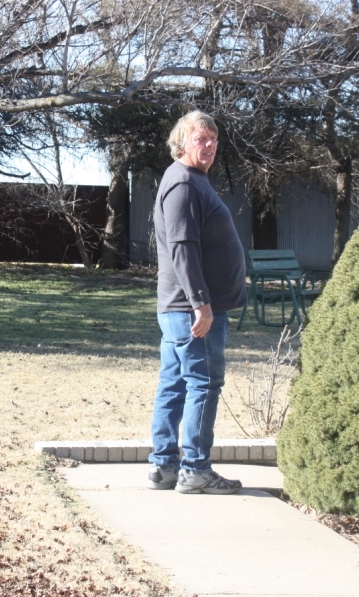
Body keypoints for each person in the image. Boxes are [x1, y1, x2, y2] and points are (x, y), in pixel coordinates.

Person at [147, 110, 247, 494]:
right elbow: (182, 248)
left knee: (175, 385)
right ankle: (195, 470)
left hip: (182, 308)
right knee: (203, 384)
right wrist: (201, 303)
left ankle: (164, 468)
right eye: (200, 138)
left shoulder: (191, 180)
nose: (209, 146)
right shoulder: (183, 184)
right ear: (182, 142)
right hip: (191, 310)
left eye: (213, 139)